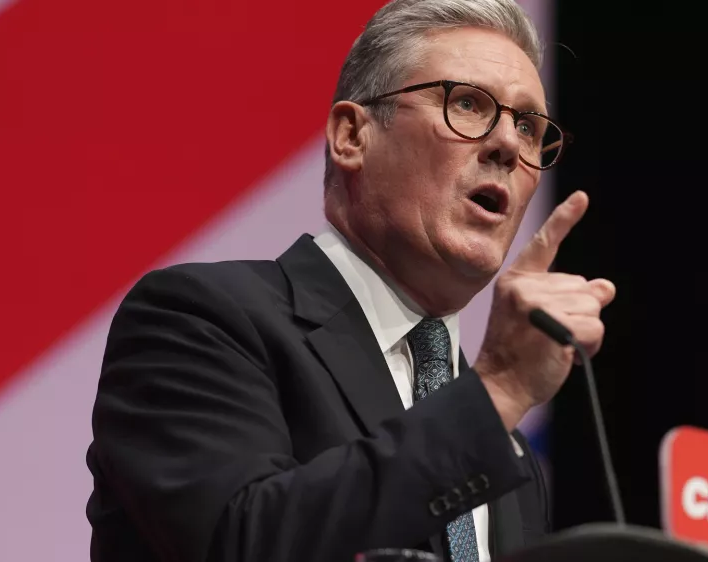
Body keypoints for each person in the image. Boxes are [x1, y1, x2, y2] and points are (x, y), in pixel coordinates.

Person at [84, 0, 616, 560]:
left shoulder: (506, 449)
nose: (508, 145)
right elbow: (242, 542)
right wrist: (499, 390)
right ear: (351, 136)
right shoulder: (200, 320)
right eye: (466, 103)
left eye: (529, 127)